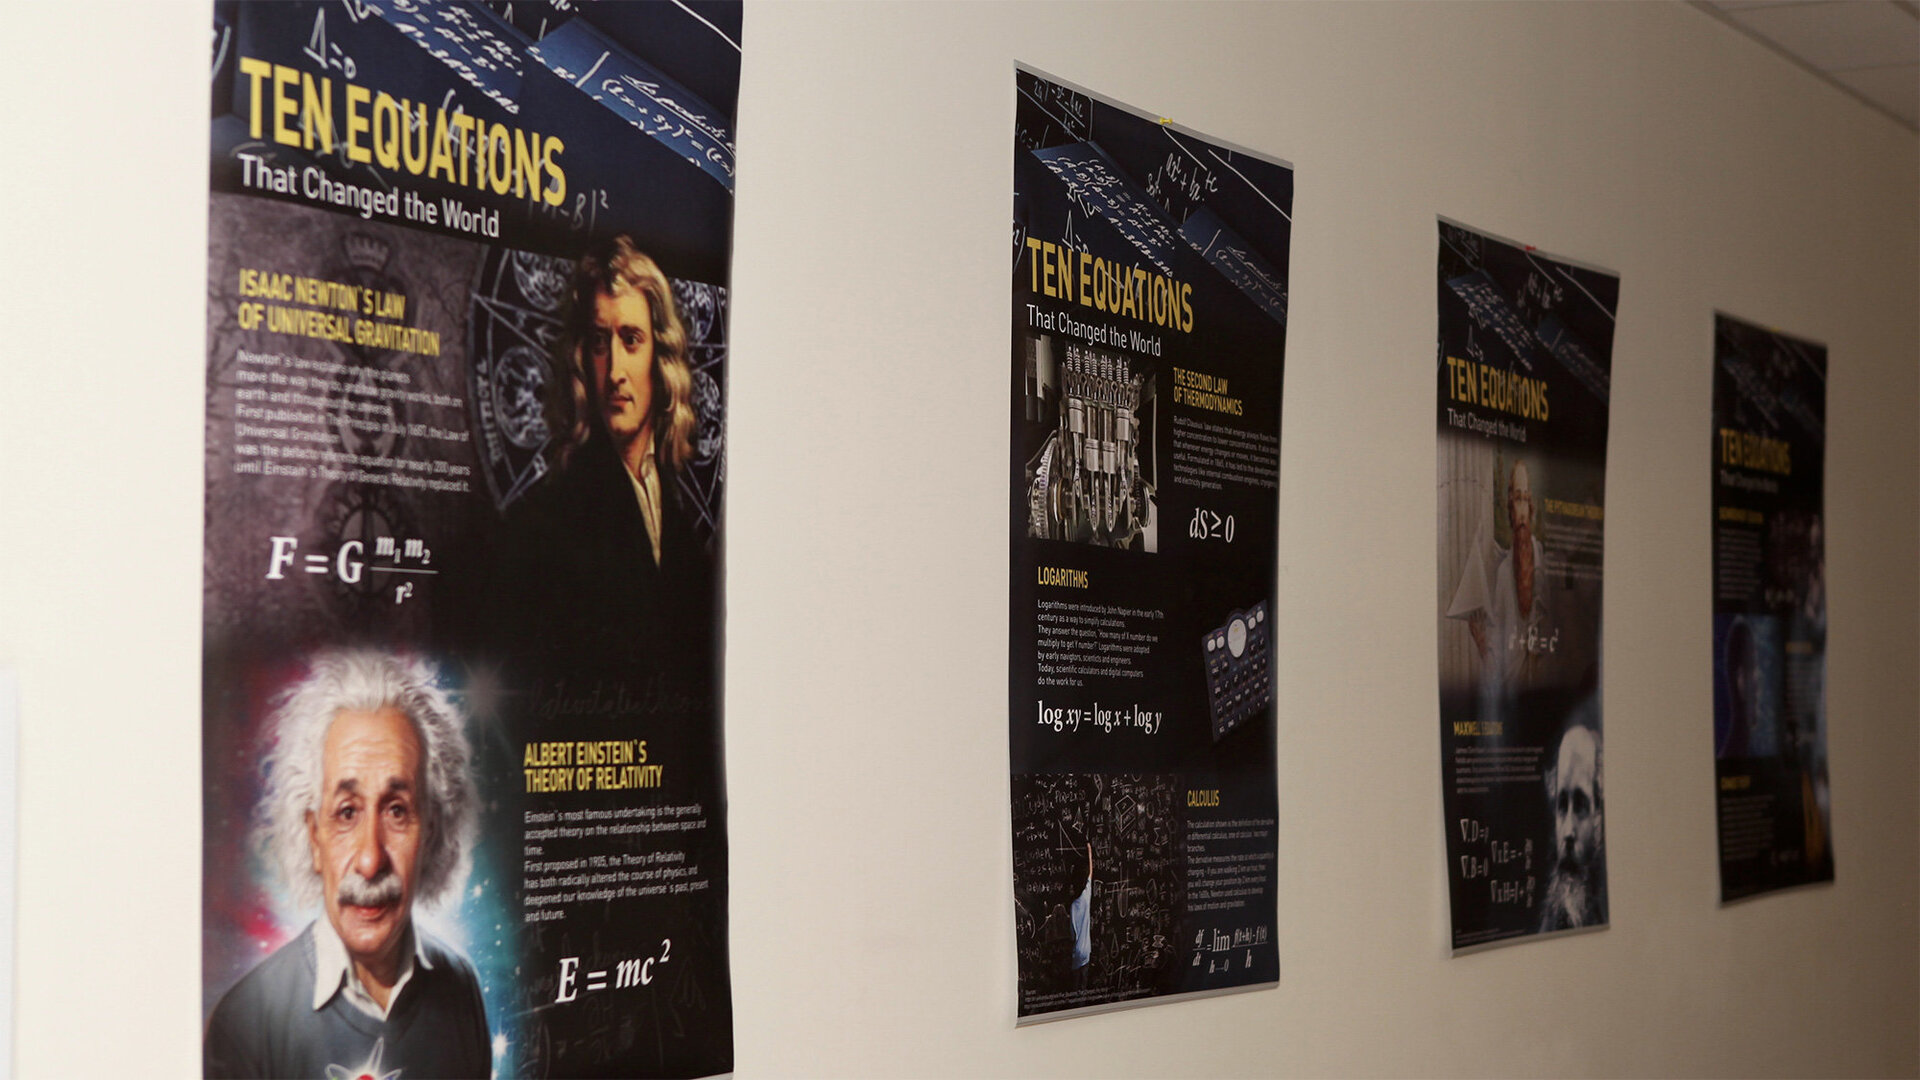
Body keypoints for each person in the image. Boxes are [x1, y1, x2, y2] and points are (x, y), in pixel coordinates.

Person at [205, 650, 489, 1079]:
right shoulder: (246, 1023)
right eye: (347, 812)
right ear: (314, 837)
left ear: (430, 833)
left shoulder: (460, 986)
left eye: (397, 810)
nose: (371, 860)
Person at [488, 234, 714, 687]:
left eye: (631, 340)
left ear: (660, 357)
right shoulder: (551, 522)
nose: (614, 371)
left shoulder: (676, 508)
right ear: (580, 359)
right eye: (598, 342)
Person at [1469, 459, 1549, 692]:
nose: (1522, 511)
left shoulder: (1541, 560)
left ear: (1530, 507)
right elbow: (1497, 659)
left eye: (1525, 499)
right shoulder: (1504, 573)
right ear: (1511, 510)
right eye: (1516, 499)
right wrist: (1481, 641)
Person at [1068, 828, 1093, 991]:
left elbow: (1072, 933)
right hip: (1087, 948)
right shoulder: (1086, 897)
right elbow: (1090, 874)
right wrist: (1089, 852)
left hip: (1077, 949)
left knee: (1075, 982)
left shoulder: (1072, 906)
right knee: (1084, 981)